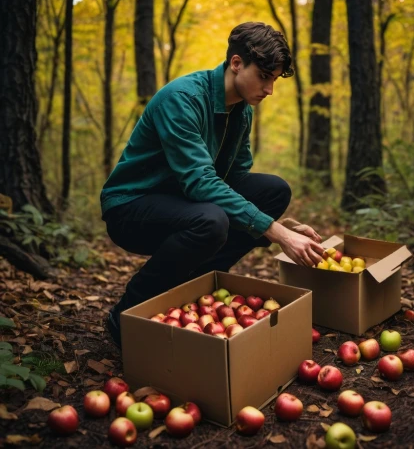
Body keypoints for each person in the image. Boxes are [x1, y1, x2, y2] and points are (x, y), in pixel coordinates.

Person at [101, 22, 325, 348]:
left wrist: (278, 223)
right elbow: (200, 182)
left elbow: (234, 180)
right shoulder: (182, 99)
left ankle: (196, 287)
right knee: (211, 220)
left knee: (274, 190)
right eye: (263, 76)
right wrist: (275, 233)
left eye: (273, 79)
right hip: (131, 206)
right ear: (236, 63)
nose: (269, 89)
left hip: (183, 202)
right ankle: (125, 314)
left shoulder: (241, 111)